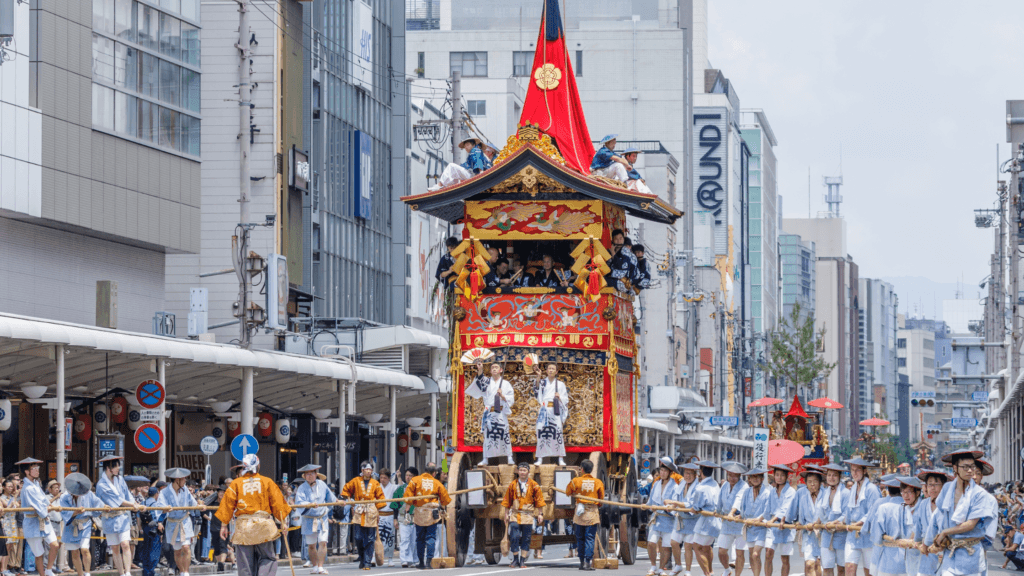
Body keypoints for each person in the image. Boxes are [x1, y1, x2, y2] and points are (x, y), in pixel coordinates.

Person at [215, 454, 291, 576]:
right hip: (263, 526)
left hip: (244, 527)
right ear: (258, 466)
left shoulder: (236, 484)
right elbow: (278, 504)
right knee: (268, 558)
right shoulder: (267, 482)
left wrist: (224, 526)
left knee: (245, 562)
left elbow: (227, 505)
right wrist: (283, 523)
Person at [925, 448, 995, 576]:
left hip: (971, 552)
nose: (970, 470)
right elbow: (939, 515)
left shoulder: (979, 494)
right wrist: (932, 541)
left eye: (972, 467)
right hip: (949, 552)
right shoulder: (946, 488)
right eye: (965, 467)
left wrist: (945, 532)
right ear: (955, 468)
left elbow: (971, 524)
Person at [94, 456, 141, 576]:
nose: (118, 468)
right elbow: (117, 500)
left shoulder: (120, 480)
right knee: (115, 548)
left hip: (123, 517)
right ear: (109, 468)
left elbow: (127, 495)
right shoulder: (101, 485)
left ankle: (128, 572)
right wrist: (132, 504)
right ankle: (121, 573)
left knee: (125, 544)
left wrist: (134, 504)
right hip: (109, 518)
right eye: (115, 466)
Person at [465, 362, 515, 465]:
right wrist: (480, 370)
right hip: (490, 413)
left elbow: (511, 399)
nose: (494, 369)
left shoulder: (505, 384)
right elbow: (479, 382)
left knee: (504, 434)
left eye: (496, 367)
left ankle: (509, 457)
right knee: (488, 436)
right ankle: (485, 458)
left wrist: (503, 396)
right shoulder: (487, 382)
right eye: (492, 367)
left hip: (501, 412)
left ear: (501, 370)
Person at [16, 458, 58, 576]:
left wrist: (49, 504)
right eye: (34, 469)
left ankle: (49, 569)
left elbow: (43, 499)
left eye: (37, 468)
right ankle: (43, 574)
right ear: (27, 472)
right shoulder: (28, 488)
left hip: (44, 521)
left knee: (55, 545)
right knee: (39, 553)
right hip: (32, 522)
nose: (37, 470)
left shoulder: (35, 484)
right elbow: (38, 506)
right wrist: (47, 509)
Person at [405, 463, 451, 569]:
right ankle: (429, 562)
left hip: (419, 512)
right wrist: (443, 509)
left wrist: (407, 512)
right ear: (434, 473)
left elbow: (408, 497)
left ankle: (421, 562)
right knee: (431, 537)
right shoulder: (437, 483)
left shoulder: (415, 480)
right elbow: (445, 499)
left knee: (420, 538)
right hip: (432, 512)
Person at [340, 462, 384, 571]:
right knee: (358, 537)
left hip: (371, 511)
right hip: (359, 510)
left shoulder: (375, 483)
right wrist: (349, 500)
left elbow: (380, 497)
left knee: (370, 538)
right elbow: (346, 489)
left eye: (370, 469)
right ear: (362, 470)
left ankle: (367, 562)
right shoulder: (355, 481)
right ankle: (362, 557)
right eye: (366, 469)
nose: (368, 471)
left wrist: (378, 512)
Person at [501, 463, 544, 568]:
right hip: (515, 514)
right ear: (517, 471)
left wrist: (540, 514)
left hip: (528, 515)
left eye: (524, 470)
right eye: (520, 470)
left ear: (528, 472)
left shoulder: (534, 485)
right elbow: (507, 500)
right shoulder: (512, 485)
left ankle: (522, 560)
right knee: (514, 536)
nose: (522, 472)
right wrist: (506, 514)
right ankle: (515, 559)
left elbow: (539, 500)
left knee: (526, 538)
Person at [294, 464, 336, 573]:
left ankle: (321, 567)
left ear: (316, 474)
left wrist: (338, 502)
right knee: (311, 545)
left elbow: (330, 498)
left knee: (323, 542)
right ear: (304, 476)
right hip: (309, 519)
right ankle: (315, 566)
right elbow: (299, 503)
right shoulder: (302, 488)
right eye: (307, 474)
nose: (309, 476)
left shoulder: (322, 484)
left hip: (322, 518)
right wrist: (309, 504)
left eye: (311, 473)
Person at [156, 468, 198, 576]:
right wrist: (166, 509)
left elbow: (193, 503)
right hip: (172, 523)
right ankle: (181, 570)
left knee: (186, 547)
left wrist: (199, 506)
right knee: (177, 550)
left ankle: (186, 572)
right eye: (183, 479)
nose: (185, 481)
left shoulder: (185, 490)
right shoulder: (164, 492)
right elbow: (160, 507)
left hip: (184, 521)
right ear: (177, 480)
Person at [842, 457, 880, 576]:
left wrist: (859, 523)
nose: (854, 473)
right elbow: (848, 512)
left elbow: (873, 511)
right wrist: (841, 522)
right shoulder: (853, 488)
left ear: (864, 471)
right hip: (852, 534)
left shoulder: (871, 489)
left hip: (867, 535)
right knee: (848, 568)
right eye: (852, 470)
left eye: (857, 470)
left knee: (869, 572)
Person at [565, 459, 604, 572]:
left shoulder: (575, 481)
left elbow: (568, 492)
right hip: (592, 513)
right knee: (590, 538)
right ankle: (588, 562)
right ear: (591, 470)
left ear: (581, 469)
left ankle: (582, 562)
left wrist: (576, 494)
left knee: (580, 538)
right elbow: (601, 500)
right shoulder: (598, 482)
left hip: (579, 514)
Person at [646, 458, 679, 576]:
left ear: (670, 473)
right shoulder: (656, 485)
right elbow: (650, 502)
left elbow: (675, 503)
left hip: (668, 519)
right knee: (651, 542)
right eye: (661, 470)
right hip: (656, 518)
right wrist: (647, 506)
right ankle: (653, 566)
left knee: (666, 546)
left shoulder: (675, 486)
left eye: (665, 471)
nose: (662, 473)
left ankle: (661, 568)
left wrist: (668, 507)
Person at [666, 462, 700, 576]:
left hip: (692, 520)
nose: (688, 475)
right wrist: (671, 507)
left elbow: (691, 504)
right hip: (680, 518)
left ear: (695, 475)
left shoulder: (698, 486)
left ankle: (688, 570)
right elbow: (675, 497)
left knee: (688, 546)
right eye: (686, 473)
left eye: (690, 473)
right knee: (674, 542)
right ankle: (678, 565)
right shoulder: (682, 484)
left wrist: (674, 503)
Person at [763, 464, 797, 576]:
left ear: (786, 477)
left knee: (785, 558)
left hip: (785, 526)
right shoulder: (772, 491)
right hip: (772, 527)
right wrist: (759, 519)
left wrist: (772, 520)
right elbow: (767, 509)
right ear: (774, 476)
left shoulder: (791, 491)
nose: (779, 477)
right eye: (777, 475)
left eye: (782, 475)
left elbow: (785, 509)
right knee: (768, 553)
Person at [689, 461, 722, 576]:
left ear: (700, 472)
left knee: (696, 546)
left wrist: (694, 509)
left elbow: (697, 506)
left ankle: (707, 573)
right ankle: (711, 571)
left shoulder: (701, 487)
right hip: (716, 519)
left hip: (707, 519)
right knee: (707, 546)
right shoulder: (715, 484)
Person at [533, 362, 569, 465]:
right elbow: (536, 390)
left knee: (557, 431)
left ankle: (560, 457)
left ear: (556, 371)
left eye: (553, 369)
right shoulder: (543, 382)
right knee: (541, 431)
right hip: (544, 409)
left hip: (555, 409)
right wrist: (538, 377)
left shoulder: (560, 384)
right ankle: (540, 458)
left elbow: (566, 399)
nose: (551, 370)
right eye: (549, 368)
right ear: (547, 370)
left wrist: (560, 397)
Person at [716, 462, 748, 576]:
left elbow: (738, 500)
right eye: (729, 475)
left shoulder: (744, 486)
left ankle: (737, 575)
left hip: (739, 521)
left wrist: (731, 513)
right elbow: (720, 498)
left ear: (739, 475)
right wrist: (717, 511)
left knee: (739, 553)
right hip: (727, 523)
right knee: (721, 551)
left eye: (734, 476)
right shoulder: (725, 485)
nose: (732, 478)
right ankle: (727, 569)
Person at [914, 469, 948, 576]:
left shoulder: (948, 505)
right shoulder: (923, 504)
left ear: (943, 486)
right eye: (929, 485)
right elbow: (918, 527)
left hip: (944, 551)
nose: (932, 488)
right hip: (926, 552)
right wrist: (917, 542)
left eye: (936, 484)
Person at [818, 463, 849, 576]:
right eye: (829, 475)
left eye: (834, 475)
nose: (831, 478)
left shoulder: (845, 493)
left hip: (841, 535)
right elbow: (820, 511)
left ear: (839, 477)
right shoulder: (824, 492)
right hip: (826, 534)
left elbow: (847, 514)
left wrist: (835, 522)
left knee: (841, 568)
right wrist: (821, 521)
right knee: (826, 567)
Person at [793, 468, 824, 576]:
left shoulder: (825, 496)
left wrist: (817, 524)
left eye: (815, 481)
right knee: (809, 564)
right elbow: (801, 519)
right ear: (806, 484)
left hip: (822, 535)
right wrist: (798, 524)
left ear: (820, 482)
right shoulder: (803, 498)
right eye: (809, 482)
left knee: (818, 565)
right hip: (809, 535)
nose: (812, 484)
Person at [390, 468, 418, 568]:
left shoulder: (419, 489)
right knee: (404, 539)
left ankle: (414, 559)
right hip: (403, 517)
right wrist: (395, 519)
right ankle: (404, 560)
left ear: (415, 477)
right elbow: (395, 504)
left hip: (416, 518)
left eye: (410, 475)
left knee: (414, 540)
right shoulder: (400, 489)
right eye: (406, 475)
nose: (407, 477)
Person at [140, 486, 163, 576]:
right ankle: (151, 571)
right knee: (154, 549)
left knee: (146, 548)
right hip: (154, 528)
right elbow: (157, 518)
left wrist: (140, 527)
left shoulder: (143, 502)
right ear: (156, 494)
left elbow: (139, 516)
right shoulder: (155, 504)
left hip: (145, 526)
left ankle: (146, 570)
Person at [378, 469, 398, 567]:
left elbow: (402, 489)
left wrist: (399, 477)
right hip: (379, 514)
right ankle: (375, 556)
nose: (383, 480)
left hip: (390, 514)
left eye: (385, 478)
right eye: (381, 477)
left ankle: (390, 558)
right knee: (377, 537)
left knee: (390, 537)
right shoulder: (377, 487)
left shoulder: (394, 487)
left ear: (389, 478)